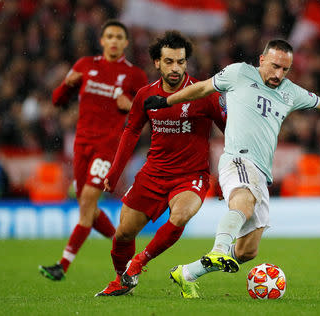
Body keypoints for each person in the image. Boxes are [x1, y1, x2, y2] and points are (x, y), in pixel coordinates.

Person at [144, 39, 320, 298]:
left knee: (248, 250)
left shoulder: (290, 92)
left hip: (261, 173)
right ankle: (218, 250)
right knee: (243, 204)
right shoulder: (238, 73)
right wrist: (167, 102)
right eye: (275, 66)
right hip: (237, 159)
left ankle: (188, 273)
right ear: (261, 60)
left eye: (285, 70)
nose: (278, 74)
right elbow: (201, 88)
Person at [94, 31, 226, 297]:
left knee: (181, 215)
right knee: (123, 234)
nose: (175, 68)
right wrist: (115, 171)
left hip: (192, 175)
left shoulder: (203, 93)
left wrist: (227, 179)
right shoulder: (145, 95)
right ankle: (123, 280)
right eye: (169, 62)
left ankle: (139, 263)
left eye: (180, 62)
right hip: (153, 173)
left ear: (186, 62)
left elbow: (231, 132)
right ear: (157, 63)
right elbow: (130, 133)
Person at [39, 20, 148, 281]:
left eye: (118, 37)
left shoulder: (135, 76)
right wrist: (68, 84)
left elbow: (147, 115)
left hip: (107, 147)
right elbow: (57, 100)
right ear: (101, 41)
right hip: (81, 145)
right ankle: (123, 249)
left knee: (87, 202)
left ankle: (62, 265)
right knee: (88, 208)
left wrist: (131, 104)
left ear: (125, 43)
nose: (113, 40)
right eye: (109, 36)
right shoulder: (85, 65)